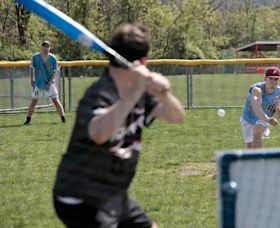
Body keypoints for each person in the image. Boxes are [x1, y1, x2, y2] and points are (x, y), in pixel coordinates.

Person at [52, 23, 184, 228]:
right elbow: (99, 133)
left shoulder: (139, 91)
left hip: (112, 194)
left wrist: (163, 94)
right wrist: (133, 94)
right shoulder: (100, 93)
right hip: (80, 198)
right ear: (142, 61)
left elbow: (176, 117)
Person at [240, 66, 280, 149]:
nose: (273, 82)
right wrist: (268, 119)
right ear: (265, 79)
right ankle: (250, 160)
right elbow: (256, 107)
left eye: (276, 79)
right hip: (248, 117)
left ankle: (259, 160)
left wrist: (278, 108)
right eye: (270, 78)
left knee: (257, 132)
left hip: (263, 119)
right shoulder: (256, 89)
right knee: (249, 147)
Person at [23, 40, 66, 125]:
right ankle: (28, 120)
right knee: (33, 102)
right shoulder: (35, 57)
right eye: (44, 46)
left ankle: (63, 119)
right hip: (39, 83)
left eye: (48, 47)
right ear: (41, 47)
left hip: (50, 83)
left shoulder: (53, 58)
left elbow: (54, 71)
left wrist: (49, 84)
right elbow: (31, 68)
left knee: (56, 101)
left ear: (49, 48)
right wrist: (31, 80)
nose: (46, 48)